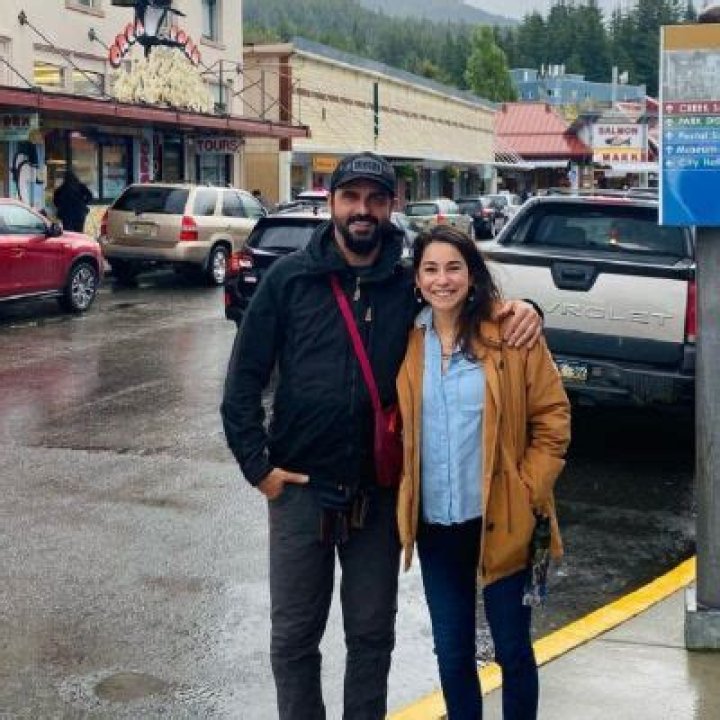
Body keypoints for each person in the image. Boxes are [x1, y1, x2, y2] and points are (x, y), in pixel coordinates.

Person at [221, 151, 543, 720]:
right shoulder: (289, 280)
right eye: (351, 197)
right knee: (294, 638)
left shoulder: (407, 282)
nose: (362, 210)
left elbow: (464, 297)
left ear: (391, 205)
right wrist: (259, 468)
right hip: (299, 490)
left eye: (375, 199)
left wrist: (526, 308)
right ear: (332, 203)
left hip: (377, 495)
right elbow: (243, 379)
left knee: (371, 637)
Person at [396, 225, 571, 720]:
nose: (443, 280)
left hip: (505, 520)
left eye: (454, 267)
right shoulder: (407, 341)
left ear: (472, 275)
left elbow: (553, 418)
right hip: (436, 525)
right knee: (452, 655)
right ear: (417, 280)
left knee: (512, 648)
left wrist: (528, 489)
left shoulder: (511, 334)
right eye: (430, 269)